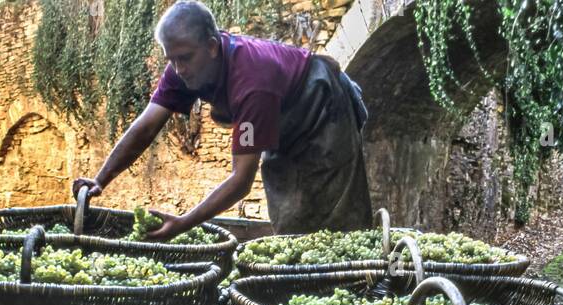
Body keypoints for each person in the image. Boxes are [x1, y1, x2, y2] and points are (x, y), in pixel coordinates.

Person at [71, 1, 373, 238]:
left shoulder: (252, 82)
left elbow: (241, 181)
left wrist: (183, 223)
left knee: (338, 215)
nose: (178, 69)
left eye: (185, 58)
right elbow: (147, 125)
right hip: (281, 117)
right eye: (171, 59)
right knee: (289, 210)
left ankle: (356, 289)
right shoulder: (182, 67)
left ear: (213, 47)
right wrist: (100, 179)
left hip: (323, 107)